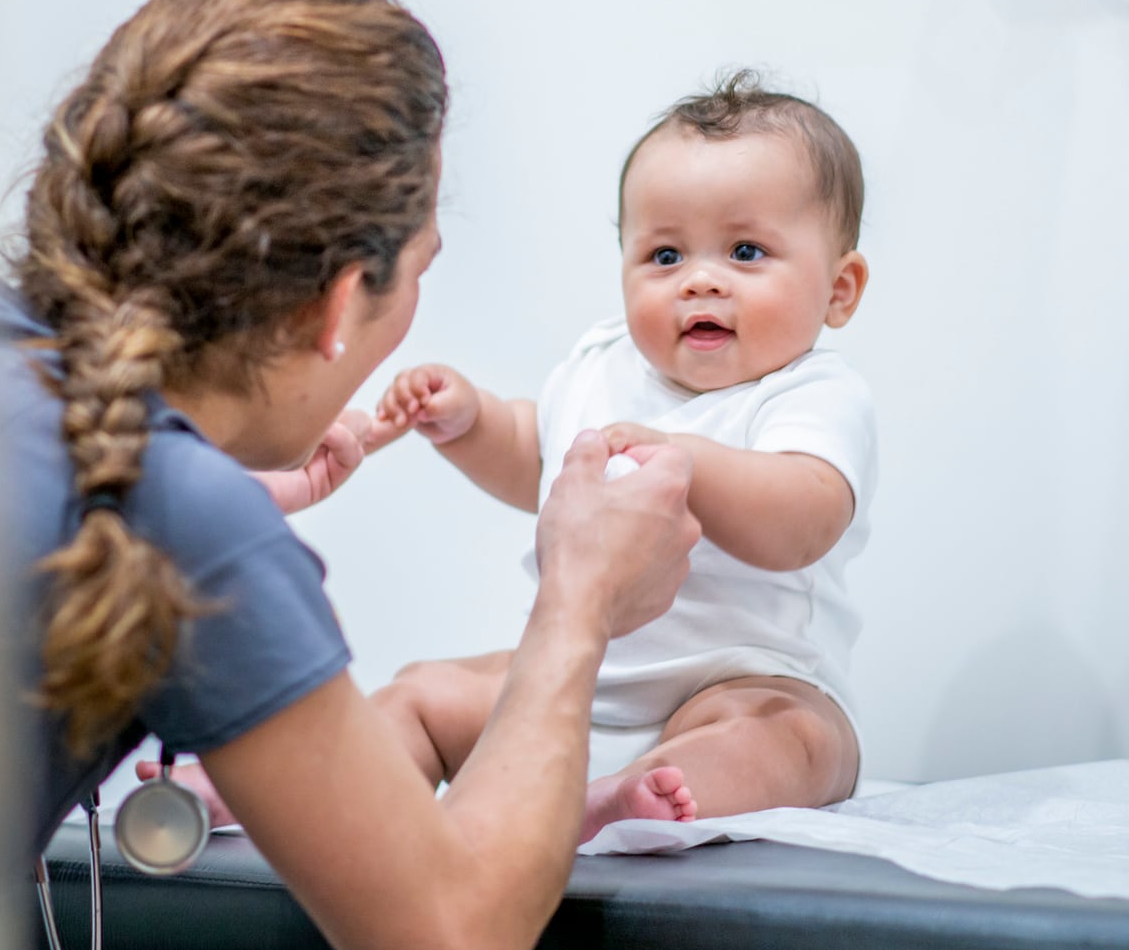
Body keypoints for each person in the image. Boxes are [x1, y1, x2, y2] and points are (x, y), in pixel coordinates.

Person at [0, 0, 700, 950]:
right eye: (420, 267)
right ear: (343, 300)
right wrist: (578, 599)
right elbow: (454, 949)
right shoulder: (183, 523)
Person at [364, 73, 875, 842]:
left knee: (799, 744)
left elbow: (801, 520)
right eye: (664, 255)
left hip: (734, 684)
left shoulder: (809, 395)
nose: (699, 279)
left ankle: (628, 800)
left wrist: (688, 462)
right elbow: (543, 468)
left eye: (745, 251)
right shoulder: (600, 365)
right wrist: (471, 424)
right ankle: (305, 804)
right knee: (420, 693)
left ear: (839, 289)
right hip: (574, 689)